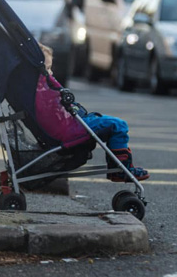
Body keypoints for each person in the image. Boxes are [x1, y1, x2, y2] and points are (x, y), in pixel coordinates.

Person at [38, 43, 149, 182]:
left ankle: (120, 168)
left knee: (103, 121)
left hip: (68, 126)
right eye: (48, 68)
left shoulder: (39, 90)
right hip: (69, 130)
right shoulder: (43, 91)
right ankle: (122, 169)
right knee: (118, 125)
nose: (51, 73)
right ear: (39, 69)